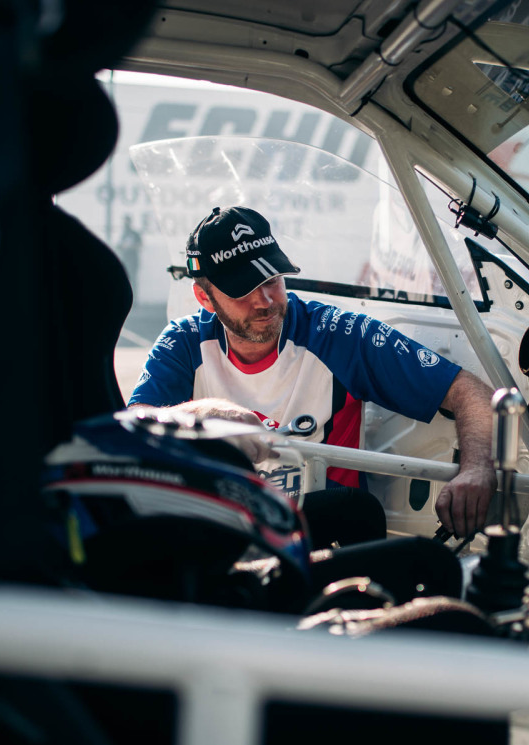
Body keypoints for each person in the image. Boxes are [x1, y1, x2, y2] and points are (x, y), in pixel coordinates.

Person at [128, 206, 497, 546]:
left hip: (321, 539)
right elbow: (130, 430)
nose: (265, 300)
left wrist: (477, 469)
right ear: (205, 297)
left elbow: (469, 391)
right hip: (221, 537)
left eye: (272, 279)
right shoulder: (182, 343)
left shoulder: (337, 334)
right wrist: (206, 415)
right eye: (243, 287)